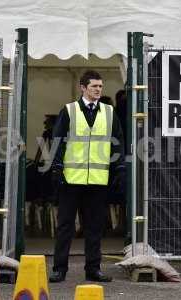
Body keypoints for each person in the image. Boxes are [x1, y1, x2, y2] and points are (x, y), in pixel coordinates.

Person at [49, 70, 125, 283]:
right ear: (82, 88)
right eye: (94, 86)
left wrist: (119, 168)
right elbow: (57, 140)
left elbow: (117, 140)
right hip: (71, 179)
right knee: (65, 226)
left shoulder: (109, 112)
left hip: (98, 181)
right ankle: (59, 269)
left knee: (94, 227)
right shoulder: (69, 111)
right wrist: (56, 167)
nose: (98, 90)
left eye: (100, 86)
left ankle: (93, 269)